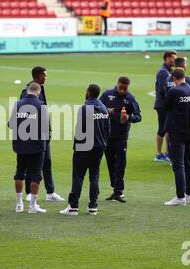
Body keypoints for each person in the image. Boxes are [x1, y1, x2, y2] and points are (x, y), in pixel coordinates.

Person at [60, 84, 110, 216]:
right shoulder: (104, 109)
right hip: (99, 147)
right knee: (94, 176)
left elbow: (80, 130)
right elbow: (107, 129)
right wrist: (103, 143)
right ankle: (93, 206)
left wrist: (76, 146)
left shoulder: (84, 108)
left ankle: (73, 207)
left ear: (88, 93)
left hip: (84, 147)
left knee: (78, 176)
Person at [20, 66, 65, 202]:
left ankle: (50, 192)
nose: (46, 77)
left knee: (47, 162)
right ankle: (28, 192)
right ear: (38, 76)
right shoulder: (28, 90)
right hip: (33, 134)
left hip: (44, 133)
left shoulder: (41, 88)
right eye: (44, 75)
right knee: (31, 163)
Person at [164, 68, 190, 206]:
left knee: (178, 163)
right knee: (188, 162)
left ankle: (180, 197)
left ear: (174, 78)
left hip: (177, 131)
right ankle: (189, 194)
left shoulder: (174, 91)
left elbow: (166, 106)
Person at [100, 76, 142, 203]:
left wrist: (128, 117)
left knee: (120, 163)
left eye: (125, 89)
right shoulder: (107, 95)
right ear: (117, 84)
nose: (123, 91)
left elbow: (138, 116)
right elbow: (96, 108)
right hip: (106, 135)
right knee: (110, 162)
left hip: (121, 137)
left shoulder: (130, 98)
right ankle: (115, 188)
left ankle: (119, 191)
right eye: (121, 88)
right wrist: (106, 110)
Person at [11, 83, 49, 214]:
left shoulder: (17, 104)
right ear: (38, 92)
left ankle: (19, 204)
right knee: (36, 175)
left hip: (20, 144)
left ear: (28, 91)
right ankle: (32, 206)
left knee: (20, 173)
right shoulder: (41, 105)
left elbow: (11, 124)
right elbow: (45, 127)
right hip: (37, 145)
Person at [154, 50, 177, 162]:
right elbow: (162, 90)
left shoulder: (168, 71)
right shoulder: (163, 72)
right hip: (162, 105)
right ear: (167, 58)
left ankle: (168, 153)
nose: (175, 60)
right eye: (173, 58)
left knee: (168, 128)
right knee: (162, 128)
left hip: (166, 104)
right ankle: (158, 154)